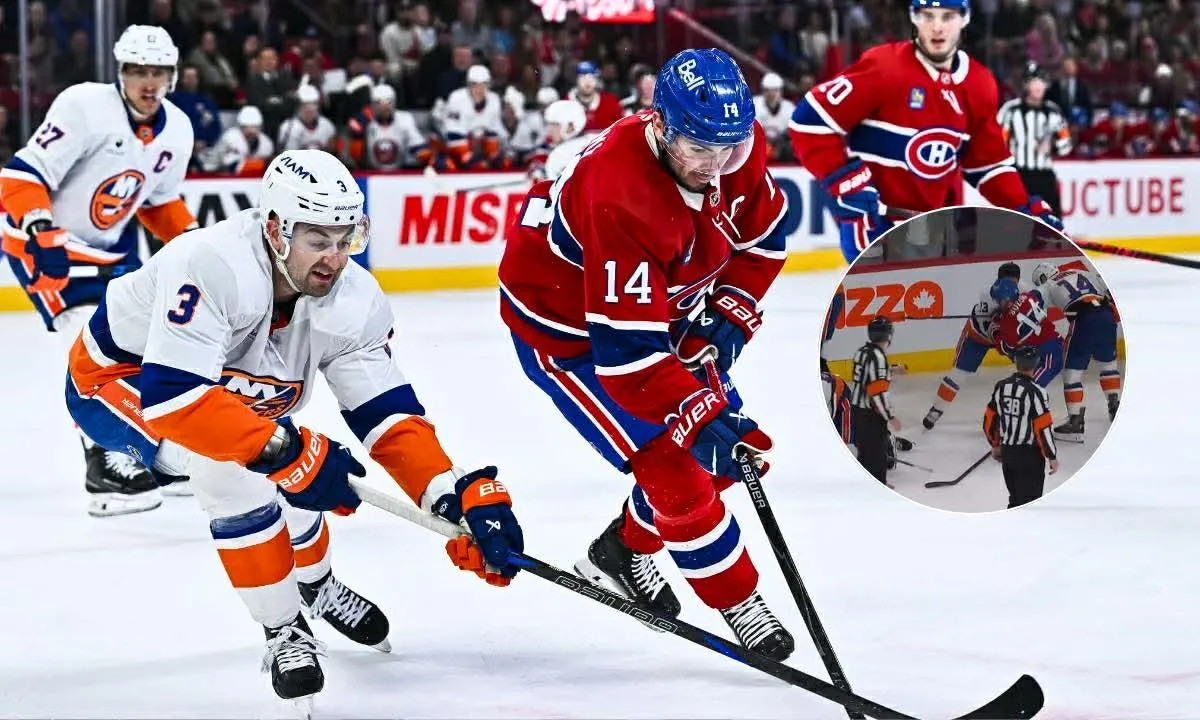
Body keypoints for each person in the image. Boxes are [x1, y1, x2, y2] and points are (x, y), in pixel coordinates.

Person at [63, 149, 525, 709]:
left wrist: (449, 493)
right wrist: (287, 451)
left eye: (345, 238)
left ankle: (317, 584)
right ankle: (283, 626)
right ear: (276, 229)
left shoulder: (353, 297)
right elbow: (175, 396)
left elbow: (385, 413)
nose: (335, 258)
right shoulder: (212, 263)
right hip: (121, 384)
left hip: (221, 393)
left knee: (283, 464)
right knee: (235, 469)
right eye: (317, 239)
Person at [497, 48, 795, 660]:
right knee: (675, 467)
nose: (715, 169)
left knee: (721, 463)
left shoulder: (731, 143)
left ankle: (623, 552)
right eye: (698, 152)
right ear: (660, 127)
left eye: (729, 150)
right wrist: (702, 411)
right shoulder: (619, 193)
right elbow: (629, 362)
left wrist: (727, 318)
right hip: (570, 333)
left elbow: (764, 242)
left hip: (663, 309)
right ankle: (739, 601)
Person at [0, 25, 197, 516]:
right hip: (46, 245)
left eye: (157, 72)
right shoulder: (85, 106)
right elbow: (21, 175)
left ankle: (153, 452)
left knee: (153, 342)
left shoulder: (177, 129)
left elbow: (158, 202)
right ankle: (103, 464)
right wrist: (42, 231)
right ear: (120, 72)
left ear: (172, 76)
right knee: (91, 347)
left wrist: (195, 244)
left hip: (109, 249)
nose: (147, 82)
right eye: (137, 71)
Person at [788, 0, 1063, 263]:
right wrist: (848, 182)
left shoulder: (979, 84)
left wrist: (1024, 209)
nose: (937, 27)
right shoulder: (885, 67)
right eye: (928, 16)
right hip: (875, 227)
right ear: (913, 17)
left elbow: (988, 164)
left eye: (947, 16)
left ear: (965, 18)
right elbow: (809, 121)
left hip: (936, 230)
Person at [923, 262, 1025, 430]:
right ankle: (936, 409)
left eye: (1014, 281)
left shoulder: (1025, 290)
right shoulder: (987, 293)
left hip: (1005, 335)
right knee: (958, 373)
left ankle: (1023, 411)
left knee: (1026, 369)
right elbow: (993, 320)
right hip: (978, 335)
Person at [1030, 261, 1121, 438]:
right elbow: (1107, 286)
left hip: (1083, 320)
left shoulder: (1047, 286)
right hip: (1106, 315)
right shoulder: (1079, 271)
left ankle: (1076, 421)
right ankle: (1115, 407)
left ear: (1042, 278)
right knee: (1108, 365)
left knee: (1071, 373)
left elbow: (1031, 301)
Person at [983, 345, 1059, 509]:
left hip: (1008, 454)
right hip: (1029, 456)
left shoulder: (1001, 386)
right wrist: (1051, 456)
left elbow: (990, 419)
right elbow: (1043, 428)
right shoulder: (1037, 392)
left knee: (1015, 500)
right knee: (1030, 505)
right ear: (1037, 363)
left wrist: (995, 445)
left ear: (1016, 362)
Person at [997, 62, 1071, 216]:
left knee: (1053, 226)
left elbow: (1066, 145)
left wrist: (1052, 145)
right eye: (1033, 81)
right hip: (1020, 175)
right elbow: (998, 142)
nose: (1038, 85)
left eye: (1041, 81)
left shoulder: (1053, 111)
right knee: (1018, 224)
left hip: (1045, 176)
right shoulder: (1010, 110)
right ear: (1025, 85)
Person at [849, 316, 899, 485]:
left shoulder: (861, 352)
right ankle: (878, 486)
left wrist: (890, 372)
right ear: (888, 336)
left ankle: (867, 485)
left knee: (865, 452)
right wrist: (890, 416)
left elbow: (866, 378)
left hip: (856, 409)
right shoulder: (879, 357)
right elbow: (876, 391)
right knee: (877, 454)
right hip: (871, 414)